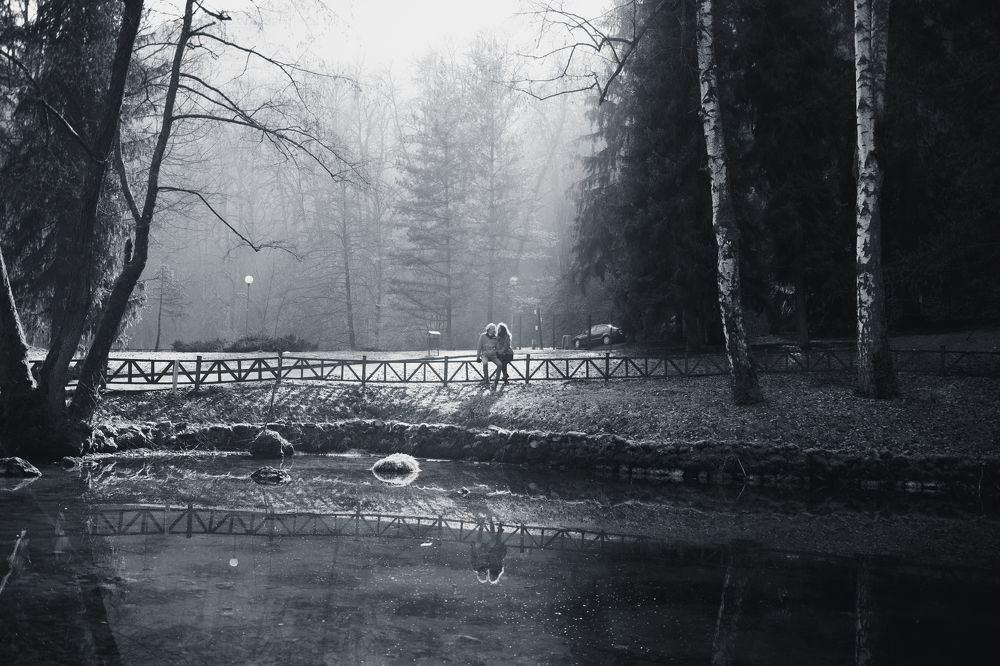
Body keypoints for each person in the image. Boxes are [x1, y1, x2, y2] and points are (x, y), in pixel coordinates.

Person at [494, 322, 514, 389]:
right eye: (498, 329)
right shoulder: (497, 337)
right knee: (501, 361)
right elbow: (496, 346)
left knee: (502, 360)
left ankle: (505, 376)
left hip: (508, 354)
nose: (498, 330)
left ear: (502, 329)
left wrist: (500, 352)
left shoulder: (507, 336)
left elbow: (506, 346)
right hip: (501, 355)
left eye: (499, 329)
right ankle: (505, 377)